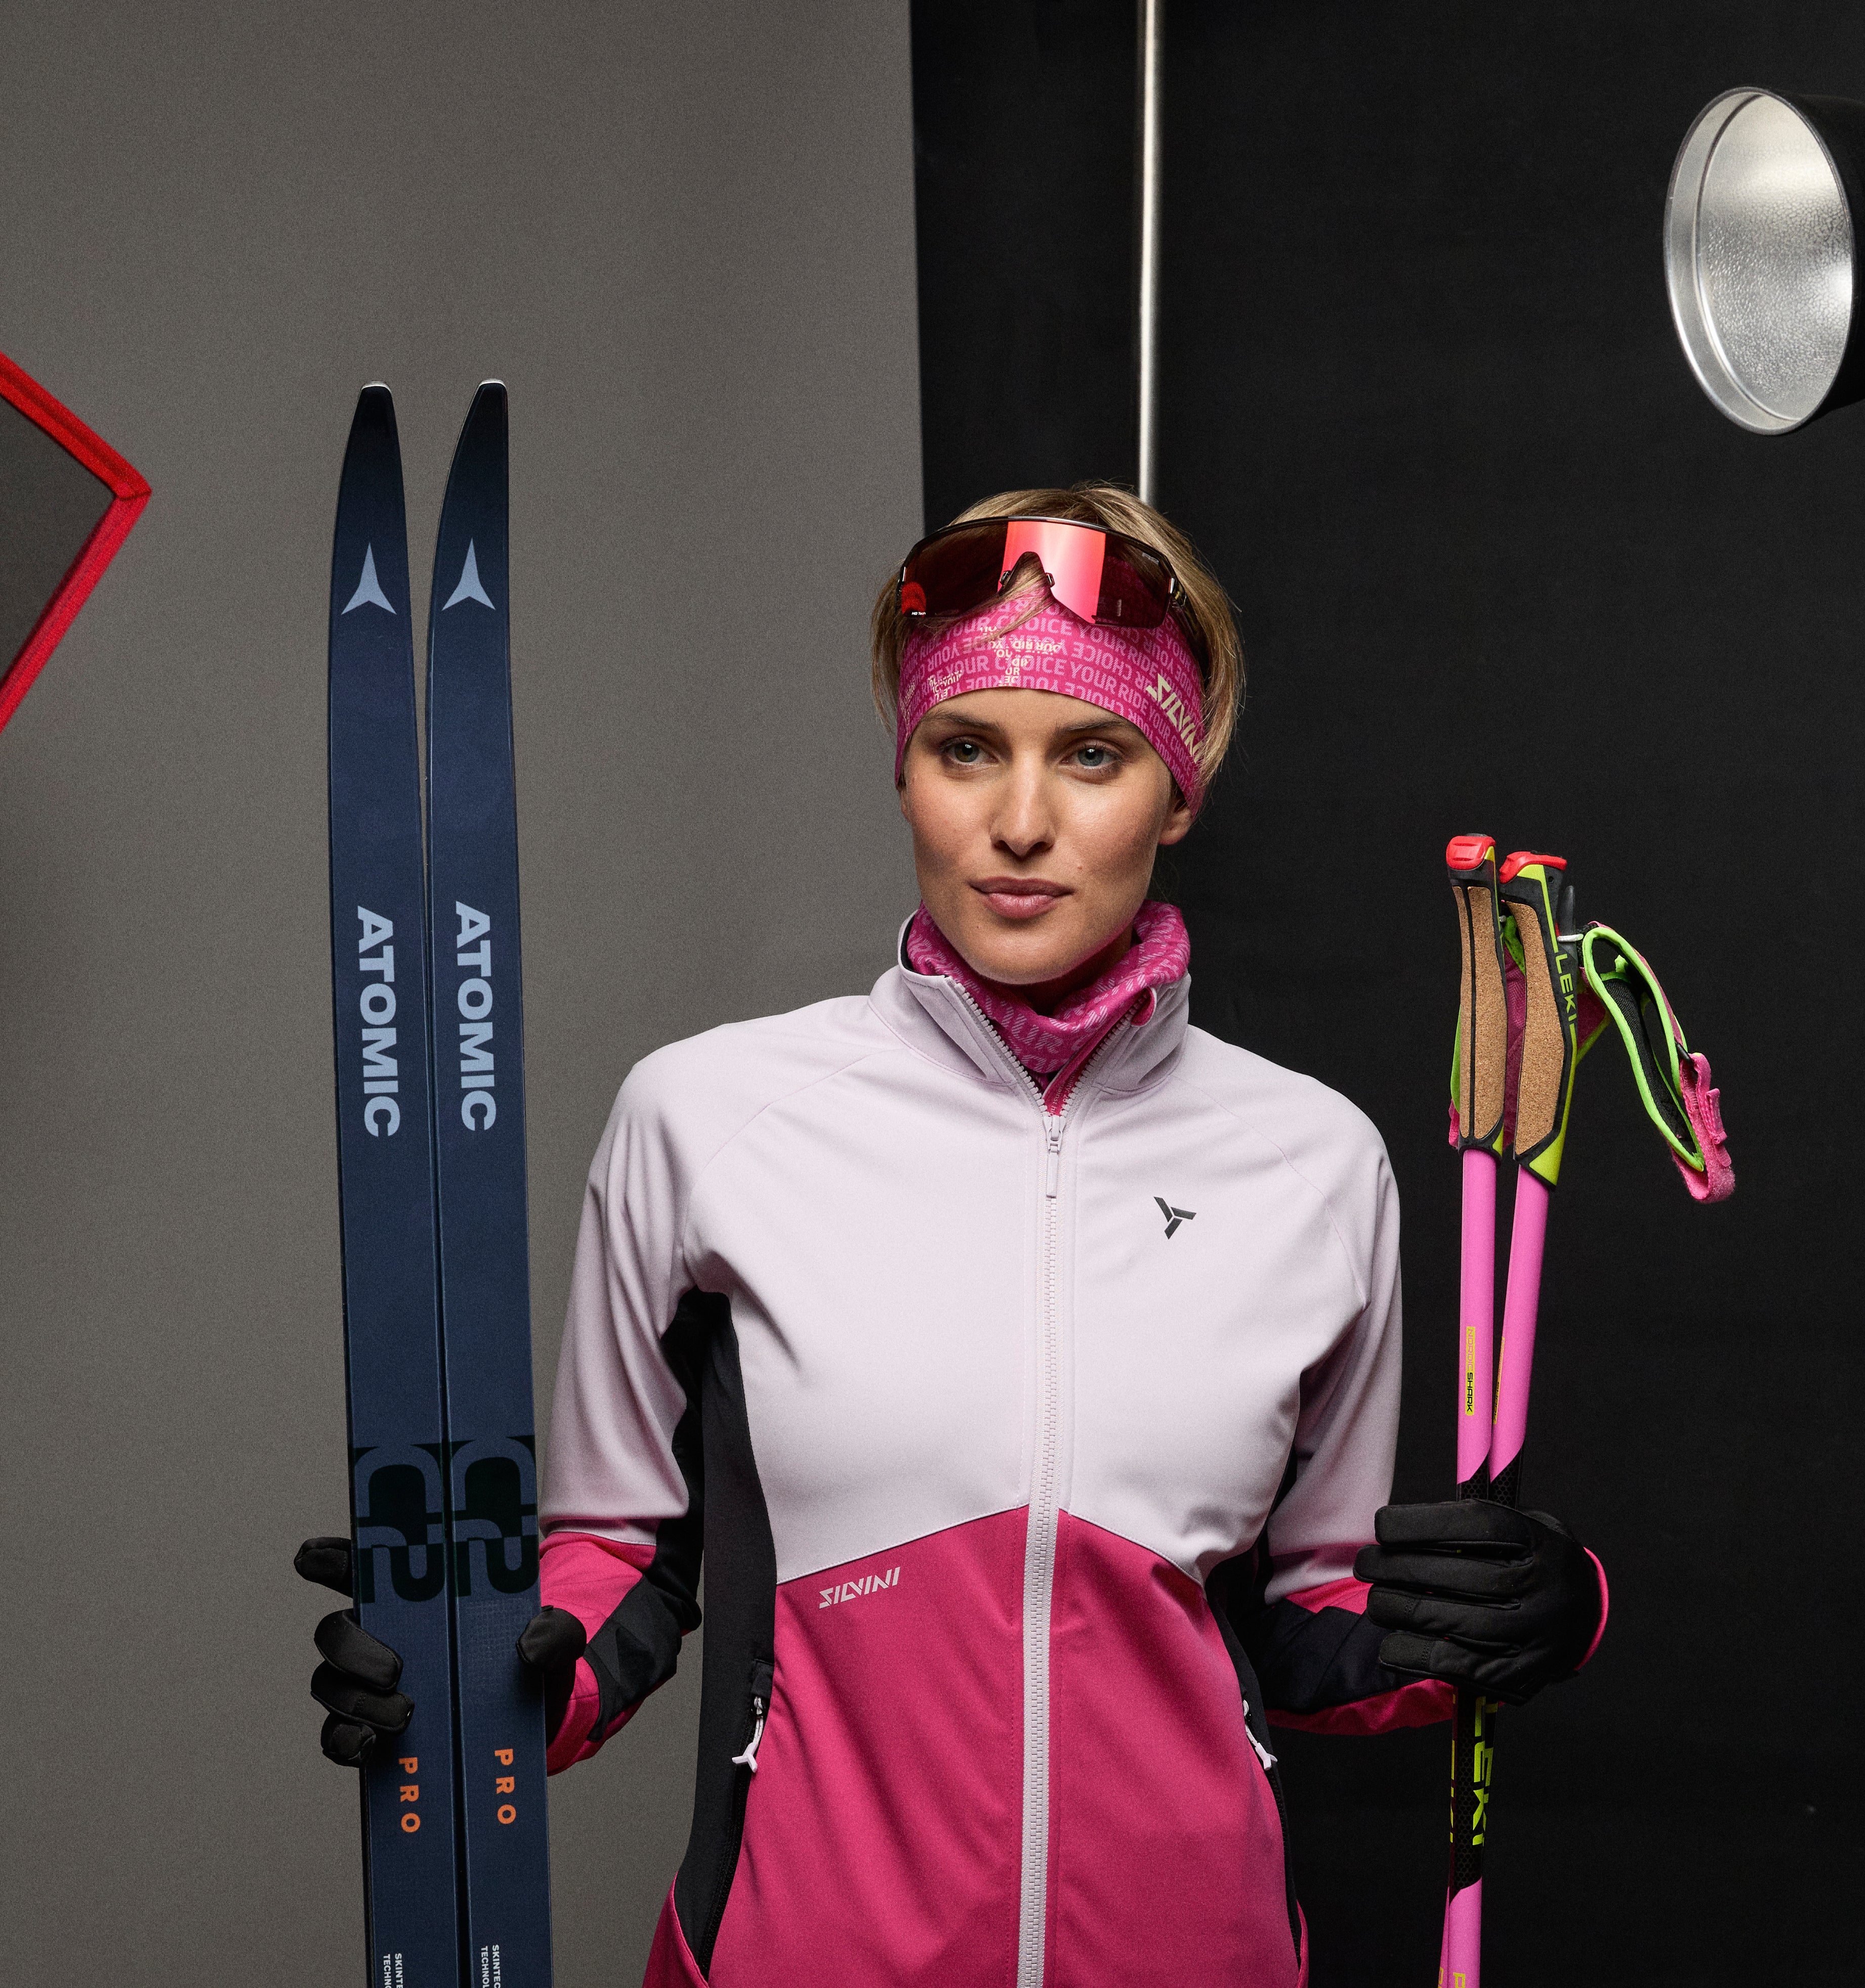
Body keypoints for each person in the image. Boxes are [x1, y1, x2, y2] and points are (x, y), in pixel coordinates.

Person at [300, 484, 1606, 1986]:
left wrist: (1531, 1615)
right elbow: (622, 1554)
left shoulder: (1313, 1162)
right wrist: (477, 1686)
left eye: (1093, 754)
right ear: (907, 771)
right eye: (966, 747)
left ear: (1178, 791)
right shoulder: (708, 1120)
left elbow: (1310, 1622)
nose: (1021, 822)